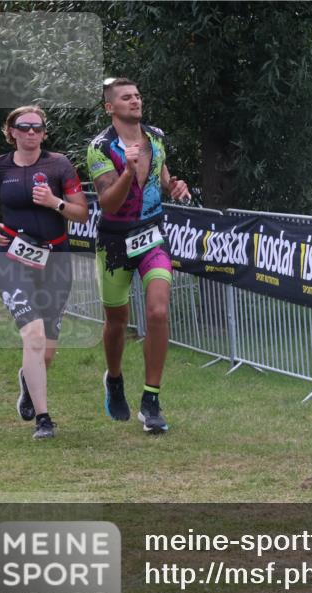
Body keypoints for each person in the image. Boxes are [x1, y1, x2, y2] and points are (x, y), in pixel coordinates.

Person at [0, 106, 90, 439]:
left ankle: (28, 383)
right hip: (10, 257)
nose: (31, 133)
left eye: (37, 128)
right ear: (11, 131)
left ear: (44, 133)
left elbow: (81, 214)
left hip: (54, 260)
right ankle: (44, 419)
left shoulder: (59, 165)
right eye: (24, 127)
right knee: (34, 335)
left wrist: (55, 203)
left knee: (47, 350)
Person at [87, 77, 190, 434]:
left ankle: (151, 399)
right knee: (116, 321)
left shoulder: (156, 136)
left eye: (138, 96)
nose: (135, 101)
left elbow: (162, 176)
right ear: (110, 107)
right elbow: (108, 202)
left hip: (152, 236)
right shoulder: (100, 147)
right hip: (115, 242)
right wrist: (128, 171)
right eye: (126, 98)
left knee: (159, 310)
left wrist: (174, 185)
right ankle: (114, 379)